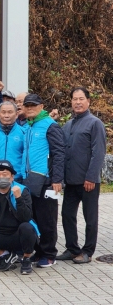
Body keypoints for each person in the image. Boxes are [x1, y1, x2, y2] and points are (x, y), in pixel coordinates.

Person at [58, 87, 107, 264]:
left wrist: (91, 177)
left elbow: (98, 153)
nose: (77, 102)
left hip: (88, 181)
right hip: (71, 181)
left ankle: (87, 251)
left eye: (81, 99)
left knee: (90, 218)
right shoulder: (68, 124)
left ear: (88, 101)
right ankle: (72, 248)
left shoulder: (95, 123)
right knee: (67, 215)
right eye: (74, 99)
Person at [23, 93, 65, 268]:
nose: (30, 108)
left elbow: (59, 153)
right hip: (31, 179)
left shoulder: (50, 126)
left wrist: (57, 179)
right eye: (27, 105)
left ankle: (49, 254)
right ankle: (39, 251)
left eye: (33, 105)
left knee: (47, 218)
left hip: (47, 180)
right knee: (34, 218)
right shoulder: (29, 125)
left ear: (41, 106)